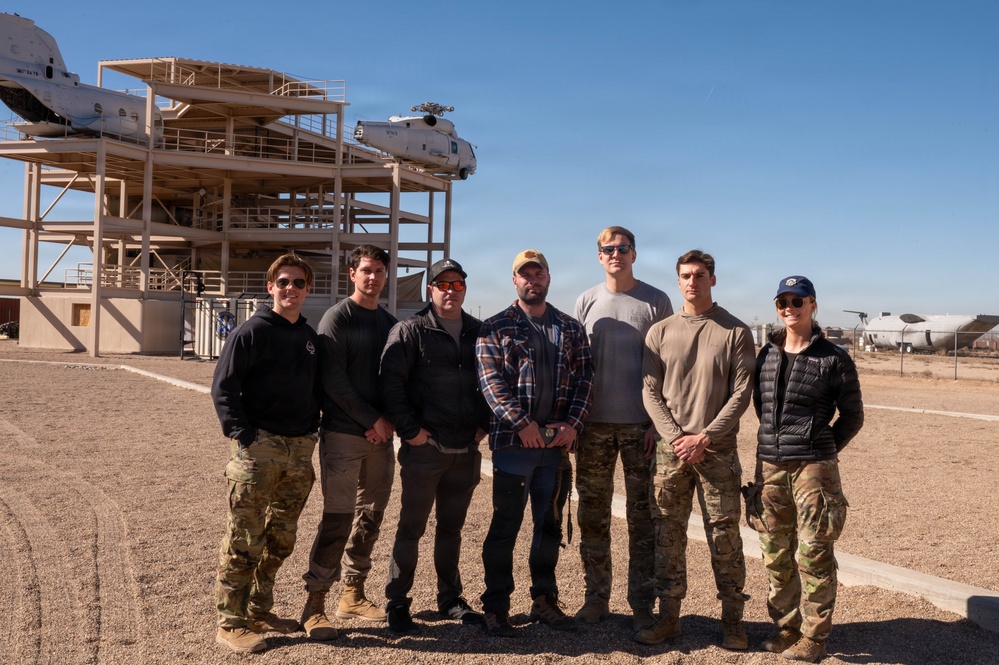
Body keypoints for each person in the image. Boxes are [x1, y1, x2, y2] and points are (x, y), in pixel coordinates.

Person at [638, 249, 755, 650]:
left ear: (713, 280)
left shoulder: (735, 332)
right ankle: (669, 619)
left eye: (700, 275)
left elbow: (741, 394)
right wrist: (676, 438)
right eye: (686, 275)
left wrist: (704, 437)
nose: (693, 282)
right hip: (672, 454)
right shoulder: (660, 331)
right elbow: (650, 392)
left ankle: (733, 623)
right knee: (667, 535)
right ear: (678, 281)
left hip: (716, 451)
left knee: (725, 538)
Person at [475, 249, 594, 637]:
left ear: (548, 277)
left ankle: (545, 600)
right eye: (524, 274)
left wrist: (573, 424)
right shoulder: (495, 328)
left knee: (549, 527)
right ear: (514, 281)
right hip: (513, 447)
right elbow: (491, 385)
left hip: (554, 452)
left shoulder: (571, 328)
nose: (532, 280)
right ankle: (496, 607)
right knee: (505, 526)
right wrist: (522, 423)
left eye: (538, 273)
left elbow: (585, 380)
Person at [748, 276, 864, 662]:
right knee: (774, 551)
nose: (789, 307)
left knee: (814, 551)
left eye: (797, 301)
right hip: (770, 464)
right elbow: (761, 408)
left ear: (812, 305)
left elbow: (852, 416)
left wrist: (823, 446)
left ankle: (815, 636)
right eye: (782, 301)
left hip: (814, 463)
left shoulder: (834, 357)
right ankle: (786, 627)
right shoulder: (764, 356)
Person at [211, 254, 321, 654]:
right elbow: (224, 388)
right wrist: (244, 436)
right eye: (284, 281)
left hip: (299, 450)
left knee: (280, 539)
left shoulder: (309, 337)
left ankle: (259, 610)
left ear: (308, 289)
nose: (290, 289)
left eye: (298, 283)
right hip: (260, 450)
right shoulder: (251, 332)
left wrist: (312, 430)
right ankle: (231, 622)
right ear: (271, 286)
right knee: (244, 538)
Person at [380, 258, 491, 633]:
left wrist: (484, 426)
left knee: (451, 529)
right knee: (411, 527)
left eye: (457, 284)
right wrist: (411, 433)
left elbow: (496, 381)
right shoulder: (410, 330)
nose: (450, 290)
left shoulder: (480, 331)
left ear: (464, 289)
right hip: (426, 450)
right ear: (430, 290)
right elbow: (390, 384)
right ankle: (397, 601)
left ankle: (450, 598)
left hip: (465, 451)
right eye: (442, 284)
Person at [573, 226, 673, 631]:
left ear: (634, 253)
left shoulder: (655, 301)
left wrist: (657, 422)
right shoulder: (586, 300)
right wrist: (575, 422)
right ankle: (595, 598)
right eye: (608, 249)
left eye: (623, 248)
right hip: (593, 428)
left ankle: (640, 604)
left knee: (643, 520)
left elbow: (669, 364)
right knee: (592, 517)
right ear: (599, 256)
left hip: (640, 428)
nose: (616, 254)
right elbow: (577, 366)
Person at [300, 244, 398, 640]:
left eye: (378, 271)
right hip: (343, 434)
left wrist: (386, 422)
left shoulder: (390, 323)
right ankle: (315, 603)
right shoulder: (336, 318)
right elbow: (333, 381)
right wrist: (370, 420)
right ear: (352, 275)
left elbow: (394, 380)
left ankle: (352, 593)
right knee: (338, 517)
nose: (372, 277)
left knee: (370, 515)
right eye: (365, 270)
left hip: (380, 437)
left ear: (385, 276)